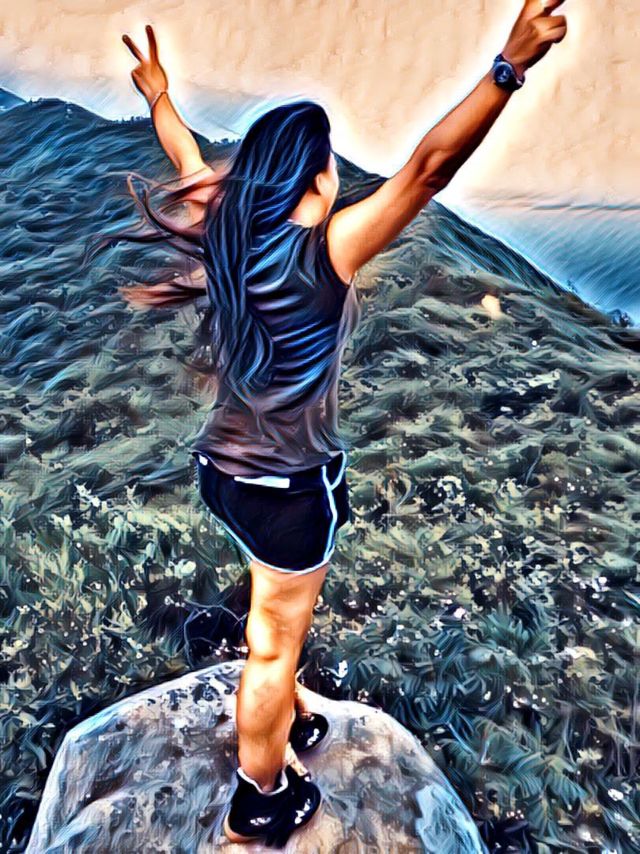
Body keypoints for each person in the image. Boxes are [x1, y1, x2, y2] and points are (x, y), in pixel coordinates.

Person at [115, 1, 567, 845]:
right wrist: (507, 68)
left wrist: (158, 96)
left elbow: (185, 156)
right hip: (287, 492)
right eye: (329, 165)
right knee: (272, 644)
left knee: (273, 616)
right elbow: (426, 170)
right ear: (317, 179)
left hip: (223, 475)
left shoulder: (229, 230)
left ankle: (283, 712)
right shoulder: (327, 251)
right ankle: (259, 794)